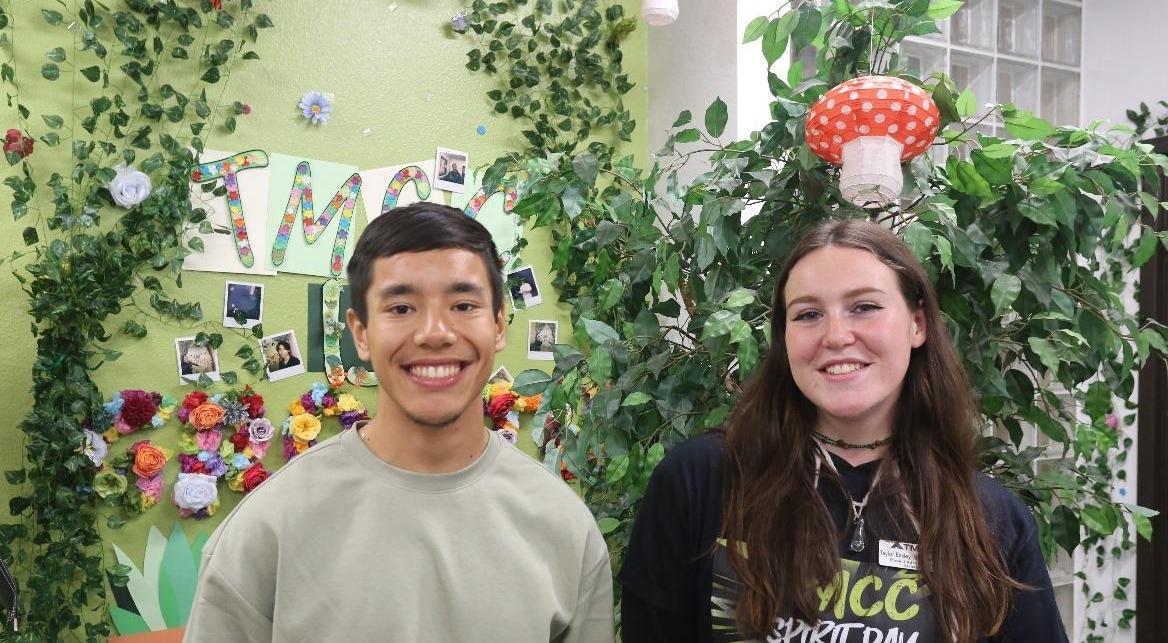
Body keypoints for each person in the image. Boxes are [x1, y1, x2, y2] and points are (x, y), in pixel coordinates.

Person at [619, 219, 1067, 643]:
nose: (835, 336)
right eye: (808, 314)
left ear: (917, 323)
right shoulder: (701, 480)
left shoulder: (990, 518)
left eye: (865, 307)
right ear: (785, 338)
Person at [184, 202, 613, 642]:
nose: (434, 332)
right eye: (402, 308)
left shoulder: (564, 528)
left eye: (464, 305)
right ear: (361, 333)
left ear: (499, 325)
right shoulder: (268, 528)